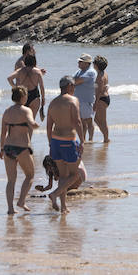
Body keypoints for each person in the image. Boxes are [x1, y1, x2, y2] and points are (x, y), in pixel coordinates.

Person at [46, 76, 87, 209]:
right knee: (75, 175)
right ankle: (55, 194)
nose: (74, 89)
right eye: (74, 86)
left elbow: (48, 126)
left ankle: (63, 207)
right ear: (69, 86)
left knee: (63, 176)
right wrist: (82, 141)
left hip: (55, 141)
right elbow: (77, 121)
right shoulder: (73, 100)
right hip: (69, 141)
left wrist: (50, 143)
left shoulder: (53, 103)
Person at [0, 86, 37, 214]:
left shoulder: (7, 111)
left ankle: (10, 208)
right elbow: (31, 122)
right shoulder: (26, 110)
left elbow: (3, 133)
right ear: (23, 97)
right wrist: (35, 125)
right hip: (22, 147)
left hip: (8, 147)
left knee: (11, 180)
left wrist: (1, 148)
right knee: (30, 175)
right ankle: (21, 201)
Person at [11, 54, 45, 123]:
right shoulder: (38, 71)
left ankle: (23, 133)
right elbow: (42, 87)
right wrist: (43, 99)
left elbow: (9, 78)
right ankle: (29, 133)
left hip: (23, 96)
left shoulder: (20, 70)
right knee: (32, 121)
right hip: (35, 96)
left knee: (22, 121)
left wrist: (15, 87)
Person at [72, 54, 98, 142]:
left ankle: (90, 139)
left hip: (86, 101)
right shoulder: (79, 71)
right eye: (79, 61)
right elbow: (72, 81)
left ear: (87, 63)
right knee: (81, 121)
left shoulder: (91, 72)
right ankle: (83, 140)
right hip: (78, 101)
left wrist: (72, 82)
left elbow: (76, 81)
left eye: (81, 62)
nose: (78, 63)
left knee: (88, 121)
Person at [92, 55, 111, 143]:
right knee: (97, 119)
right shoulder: (104, 73)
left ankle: (106, 138)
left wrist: (95, 103)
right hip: (105, 98)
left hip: (101, 99)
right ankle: (105, 137)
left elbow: (99, 91)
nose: (92, 64)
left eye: (94, 63)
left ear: (97, 65)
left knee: (102, 121)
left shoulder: (100, 76)